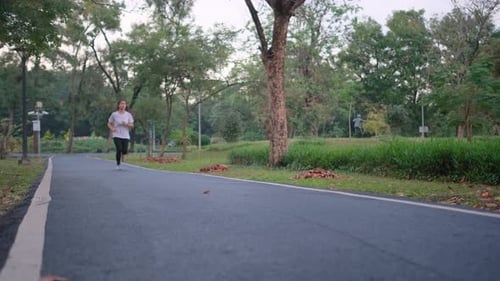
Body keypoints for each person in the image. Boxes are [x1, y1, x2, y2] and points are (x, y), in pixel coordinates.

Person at [107, 100, 134, 169]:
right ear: (118, 105)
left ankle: (124, 155)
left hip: (125, 135)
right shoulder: (114, 114)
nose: (123, 105)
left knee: (124, 150)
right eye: (121, 104)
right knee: (119, 149)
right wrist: (112, 128)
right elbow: (109, 123)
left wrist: (127, 124)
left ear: (126, 106)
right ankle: (118, 164)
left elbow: (132, 125)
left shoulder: (128, 114)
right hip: (117, 134)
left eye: (124, 104)